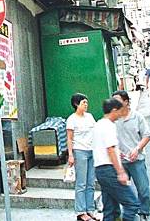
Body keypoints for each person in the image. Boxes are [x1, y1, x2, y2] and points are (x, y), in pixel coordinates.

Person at [93, 98, 140, 221]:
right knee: (132, 203)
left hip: (99, 169)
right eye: (120, 111)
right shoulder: (109, 126)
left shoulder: (98, 124)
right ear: (114, 110)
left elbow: (105, 147)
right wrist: (120, 172)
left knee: (110, 209)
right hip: (110, 170)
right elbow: (110, 149)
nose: (121, 114)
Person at [112, 90, 150, 220]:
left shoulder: (137, 117)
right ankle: (127, 214)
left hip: (137, 160)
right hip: (121, 162)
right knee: (122, 191)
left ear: (126, 101)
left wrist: (137, 149)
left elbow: (147, 135)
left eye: (117, 100)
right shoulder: (113, 119)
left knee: (143, 189)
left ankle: (143, 212)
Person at [66, 93, 97, 221]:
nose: (86, 105)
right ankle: (80, 211)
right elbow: (69, 138)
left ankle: (90, 209)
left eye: (86, 102)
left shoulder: (89, 117)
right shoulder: (71, 119)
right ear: (76, 104)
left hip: (92, 151)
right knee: (81, 183)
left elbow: (95, 132)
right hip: (80, 151)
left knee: (91, 183)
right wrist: (71, 155)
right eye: (83, 102)